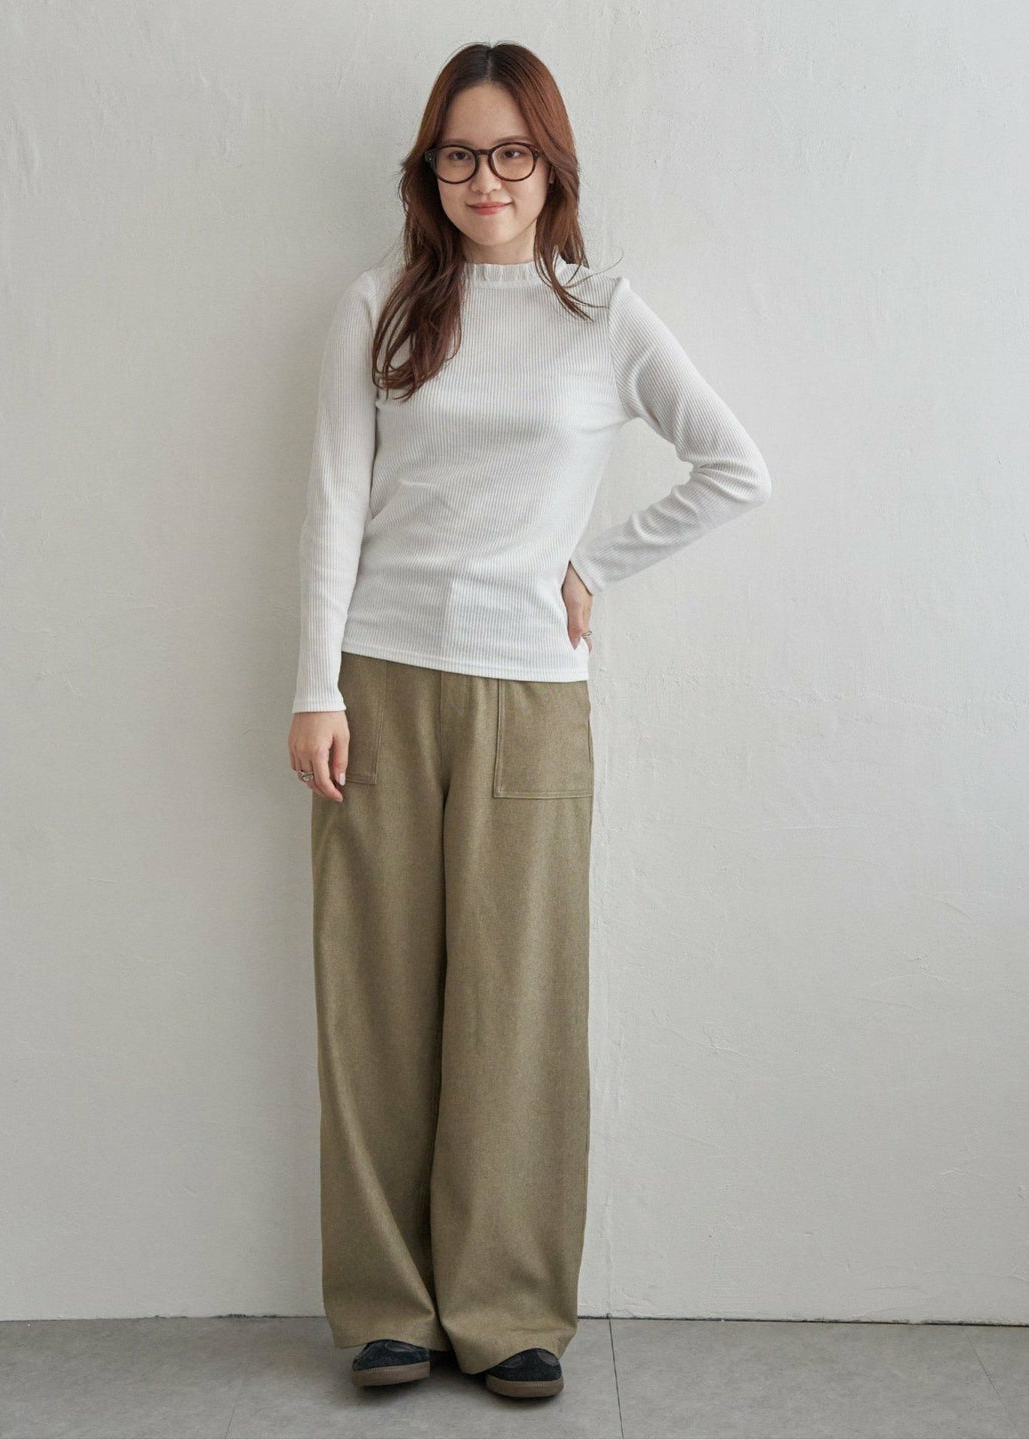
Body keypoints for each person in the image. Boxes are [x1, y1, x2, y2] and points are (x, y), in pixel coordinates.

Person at [288, 41, 771, 1401]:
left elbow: (735, 467)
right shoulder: (379, 304)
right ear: (427, 169)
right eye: (459, 154)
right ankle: (387, 1305)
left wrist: (593, 567)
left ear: (551, 166)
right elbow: (333, 500)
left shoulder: (603, 314)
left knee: (519, 1002)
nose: (485, 179)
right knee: (375, 1002)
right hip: (379, 684)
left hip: (532, 697)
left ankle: (505, 1308)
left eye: (511, 152)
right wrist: (314, 685)